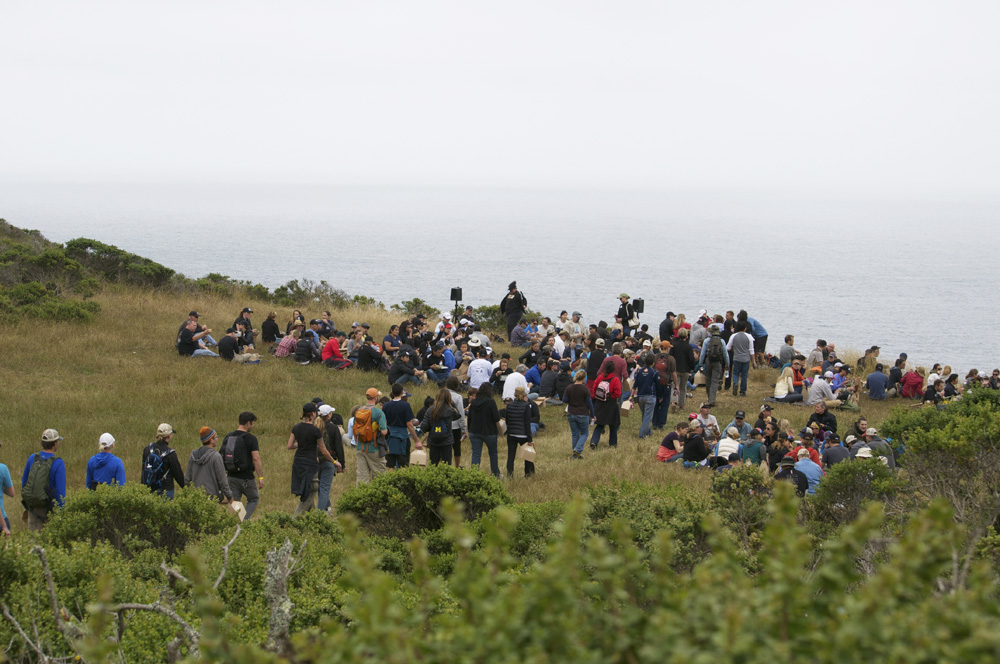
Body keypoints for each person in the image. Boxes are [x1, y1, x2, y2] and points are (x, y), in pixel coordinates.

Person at [288, 403, 340, 516]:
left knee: (306, 489)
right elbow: (324, 451)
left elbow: (290, 445)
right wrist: (335, 462)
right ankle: (295, 519)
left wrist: (301, 444)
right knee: (312, 489)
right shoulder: (315, 430)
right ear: (312, 414)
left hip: (298, 462)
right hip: (310, 463)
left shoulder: (296, 427)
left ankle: (311, 518)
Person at [21, 429, 67, 531]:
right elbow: (60, 492)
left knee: (33, 542)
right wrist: (61, 513)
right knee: (49, 544)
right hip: (49, 510)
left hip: (32, 509)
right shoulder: (58, 463)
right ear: (55, 444)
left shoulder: (32, 458)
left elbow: (24, 482)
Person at [222, 412, 264, 520]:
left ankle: (235, 523)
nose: (253, 426)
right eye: (253, 423)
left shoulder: (229, 436)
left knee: (234, 501)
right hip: (246, 477)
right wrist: (260, 477)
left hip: (231, 475)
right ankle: (244, 521)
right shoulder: (251, 439)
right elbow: (256, 458)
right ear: (248, 423)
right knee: (253, 498)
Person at [185, 428, 233, 503]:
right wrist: (229, 496)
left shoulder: (192, 455)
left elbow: (187, 478)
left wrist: (188, 494)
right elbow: (222, 479)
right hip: (211, 497)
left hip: (196, 495)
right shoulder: (216, 456)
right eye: (216, 437)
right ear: (211, 440)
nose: (217, 439)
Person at [354, 388, 389, 483]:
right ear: (375, 398)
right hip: (374, 448)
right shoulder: (379, 412)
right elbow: (384, 432)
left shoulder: (359, 411)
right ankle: (377, 497)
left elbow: (355, 430)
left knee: (362, 476)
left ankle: (359, 497)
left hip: (360, 448)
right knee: (380, 475)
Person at [141, 424, 186, 499]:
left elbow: (144, 470)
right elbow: (178, 475)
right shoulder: (171, 454)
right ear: (169, 436)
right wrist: (186, 489)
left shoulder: (147, 450)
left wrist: (143, 489)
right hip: (165, 490)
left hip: (149, 489)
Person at [467, 382, 503, 475]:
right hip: (489, 431)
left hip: (474, 431)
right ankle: (495, 473)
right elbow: (496, 418)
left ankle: (474, 474)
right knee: (493, 453)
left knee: (476, 454)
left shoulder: (473, 402)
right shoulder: (490, 402)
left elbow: (469, 417)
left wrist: (469, 428)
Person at [420, 389, 463, 465]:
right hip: (447, 441)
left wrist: (432, 427)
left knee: (433, 465)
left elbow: (424, 427)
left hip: (433, 440)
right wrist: (452, 404)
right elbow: (458, 416)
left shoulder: (430, 410)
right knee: (446, 466)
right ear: (448, 399)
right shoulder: (450, 410)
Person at [316, 404, 347, 509]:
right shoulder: (333, 427)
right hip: (329, 460)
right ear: (329, 415)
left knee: (319, 486)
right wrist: (342, 463)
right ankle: (320, 513)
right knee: (324, 488)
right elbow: (339, 447)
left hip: (315, 460)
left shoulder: (314, 426)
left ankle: (326, 506)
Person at [501, 386, 535, 477]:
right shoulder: (526, 406)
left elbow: (507, 420)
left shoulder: (510, 405)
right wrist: (530, 438)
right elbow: (527, 423)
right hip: (523, 434)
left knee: (511, 456)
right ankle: (528, 474)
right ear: (524, 394)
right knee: (527, 455)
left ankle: (510, 474)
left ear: (514, 394)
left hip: (511, 434)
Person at [589, 359, 622, 449]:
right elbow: (618, 393)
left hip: (600, 403)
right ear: (613, 369)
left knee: (600, 424)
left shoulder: (600, 377)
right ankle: (612, 444)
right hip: (611, 404)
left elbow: (594, 388)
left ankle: (594, 441)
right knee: (613, 425)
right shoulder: (615, 379)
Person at [563, 370, 595, 460]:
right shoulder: (585, 389)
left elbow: (564, 400)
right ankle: (578, 449)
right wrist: (593, 414)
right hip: (582, 413)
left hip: (571, 413)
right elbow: (589, 404)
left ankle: (575, 455)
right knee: (585, 433)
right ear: (583, 378)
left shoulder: (569, 387)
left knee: (575, 434)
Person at [694, 327, 729, 406]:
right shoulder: (721, 341)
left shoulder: (707, 341)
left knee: (708, 379)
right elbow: (725, 354)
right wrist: (727, 364)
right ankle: (712, 400)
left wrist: (700, 364)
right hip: (717, 362)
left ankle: (709, 397)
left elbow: (702, 354)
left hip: (708, 361)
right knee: (715, 381)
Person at [631, 354, 660, 439]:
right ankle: (642, 435)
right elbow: (658, 386)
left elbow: (635, 384)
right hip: (650, 396)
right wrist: (660, 396)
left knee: (645, 416)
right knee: (648, 417)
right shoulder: (654, 372)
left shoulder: (640, 371)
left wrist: (631, 395)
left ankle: (648, 431)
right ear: (653, 363)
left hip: (640, 396)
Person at [727, 322, 756, 397]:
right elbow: (751, 350)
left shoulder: (733, 336)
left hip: (736, 358)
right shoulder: (749, 336)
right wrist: (754, 361)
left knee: (735, 373)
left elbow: (728, 347)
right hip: (746, 359)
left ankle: (735, 383)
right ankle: (743, 391)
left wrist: (734, 348)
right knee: (744, 375)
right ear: (745, 328)